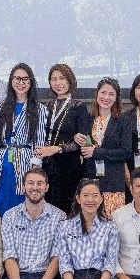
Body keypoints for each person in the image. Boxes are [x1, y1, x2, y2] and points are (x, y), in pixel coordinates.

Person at [0, 64, 45, 214]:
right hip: (1, 165)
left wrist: (33, 177)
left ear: (31, 82)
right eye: (17, 78)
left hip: (25, 165)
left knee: (22, 206)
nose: (21, 82)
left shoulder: (40, 109)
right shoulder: (1, 106)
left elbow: (38, 145)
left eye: (25, 79)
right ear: (11, 81)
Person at [36, 63, 90, 215]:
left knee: (66, 210)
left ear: (70, 80)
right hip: (48, 165)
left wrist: (57, 149)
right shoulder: (47, 106)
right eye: (54, 79)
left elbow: (84, 141)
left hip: (69, 166)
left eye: (62, 78)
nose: (58, 83)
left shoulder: (79, 106)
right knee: (47, 209)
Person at [78, 78, 132, 214]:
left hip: (113, 181)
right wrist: (77, 138)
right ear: (97, 94)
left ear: (116, 98)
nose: (106, 97)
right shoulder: (88, 119)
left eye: (111, 94)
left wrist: (96, 152)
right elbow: (84, 147)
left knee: (112, 221)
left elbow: (126, 151)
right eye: (103, 93)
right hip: (91, 180)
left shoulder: (123, 121)